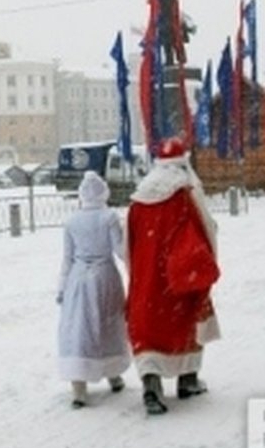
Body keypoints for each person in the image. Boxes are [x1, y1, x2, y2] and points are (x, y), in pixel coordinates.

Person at [125, 137, 221, 415]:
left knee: (147, 329)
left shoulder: (139, 198)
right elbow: (206, 227)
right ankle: (187, 379)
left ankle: (151, 386)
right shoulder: (185, 192)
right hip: (180, 275)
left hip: (146, 278)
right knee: (185, 322)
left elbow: (127, 243)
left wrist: (137, 274)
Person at [56, 170, 130, 408]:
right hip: (105, 277)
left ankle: (79, 386)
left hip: (78, 279)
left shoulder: (71, 221)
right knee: (108, 324)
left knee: (80, 328)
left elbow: (67, 259)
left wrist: (62, 287)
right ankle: (113, 373)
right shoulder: (109, 217)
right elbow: (120, 251)